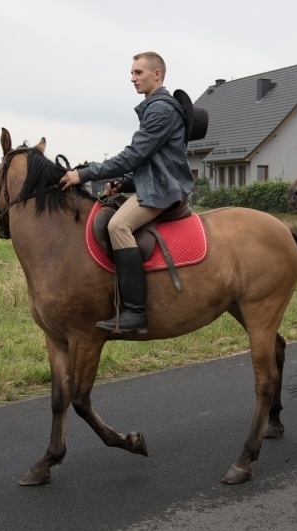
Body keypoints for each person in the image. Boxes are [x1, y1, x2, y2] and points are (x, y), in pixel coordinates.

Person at [60, 51, 202, 334]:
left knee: (118, 225)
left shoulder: (160, 109)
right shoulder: (153, 107)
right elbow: (151, 160)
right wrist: (125, 183)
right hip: (157, 183)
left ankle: (135, 312)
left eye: (138, 72)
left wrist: (84, 174)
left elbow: (134, 155)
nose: (132, 78)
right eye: (132, 72)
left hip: (164, 191)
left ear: (157, 74)